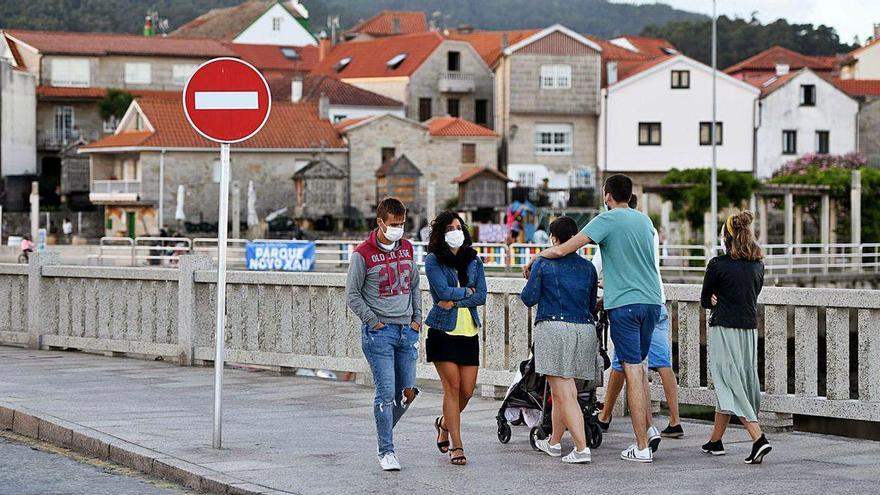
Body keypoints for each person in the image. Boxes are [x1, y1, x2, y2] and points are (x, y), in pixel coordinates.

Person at [524, 174, 663, 463]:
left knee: (632, 370)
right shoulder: (645, 221)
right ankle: (648, 431)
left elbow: (564, 249)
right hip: (651, 302)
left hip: (625, 304)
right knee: (638, 367)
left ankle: (641, 447)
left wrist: (535, 259)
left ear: (607, 194)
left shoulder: (607, 219)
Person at [595, 195, 683, 439]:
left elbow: (595, 267)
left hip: (629, 304)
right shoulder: (648, 228)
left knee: (627, 365)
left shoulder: (614, 227)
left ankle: (632, 427)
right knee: (660, 364)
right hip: (656, 301)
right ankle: (675, 420)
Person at [345, 197, 422, 472]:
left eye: (402, 224)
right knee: (386, 392)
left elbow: (414, 284)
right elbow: (352, 295)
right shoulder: (362, 253)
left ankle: (382, 430)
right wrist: (373, 321)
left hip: (407, 331)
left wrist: (417, 319)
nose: (398, 229)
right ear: (380, 222)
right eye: (393, 224)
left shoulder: (407, 248)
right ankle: (386, 450)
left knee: (408, 393)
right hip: (379, 333)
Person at [520, 216, 598, 464]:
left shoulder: (544, 263)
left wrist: (531, 276)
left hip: (554, 329)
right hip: (584, 330)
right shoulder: (588, 268)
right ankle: (554, 442)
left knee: (565, 393)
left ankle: (581, 448)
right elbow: (590, 305)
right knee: (563, 389)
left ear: (553, 238)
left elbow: (529, 298)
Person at [700, 211, 771, 464]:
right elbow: (752, 295)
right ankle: (715, 440)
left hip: (725, 329)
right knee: (737, 380)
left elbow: (705, 300)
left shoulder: (717, 265)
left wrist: (714, 298)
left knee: (728, 382)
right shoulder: (758, 265)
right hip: (749, 331)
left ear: (726, 237)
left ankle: (758, 438)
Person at [424, 210, 487, 466]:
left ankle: (443, 423)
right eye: (449, 228)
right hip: (442, 330)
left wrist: (457, 299)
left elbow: (480, 295)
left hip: (468, 330)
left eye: (458, 227)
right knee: (452, 388)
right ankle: (457, 445)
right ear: (441, 233)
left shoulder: (474, 260)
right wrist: (466, 291)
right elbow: (441, 291)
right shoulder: (433, 260)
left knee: (468, 391)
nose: (455, 232)